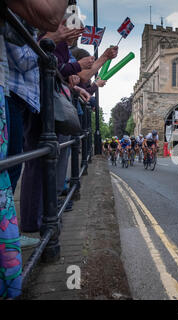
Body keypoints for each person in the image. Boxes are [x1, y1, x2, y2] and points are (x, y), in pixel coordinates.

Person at [1, 0, 67, 301]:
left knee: (15, 168)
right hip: (12, 91)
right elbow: (29, 58)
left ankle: (25, 230)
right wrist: (51, 40)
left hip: (20, 95)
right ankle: (27, 228)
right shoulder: (18, 19)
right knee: (15, 168)